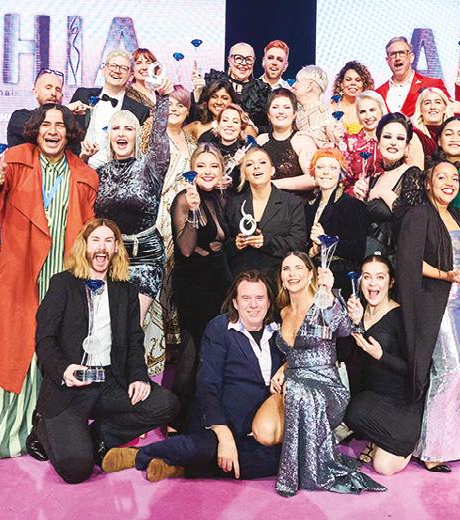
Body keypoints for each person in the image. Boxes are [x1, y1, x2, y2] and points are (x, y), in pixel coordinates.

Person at [0, 103, 96, 458]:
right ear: (36, 129)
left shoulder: (85, 175)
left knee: (53, 352)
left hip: (61, 277)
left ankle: (44, 431)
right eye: (46, 124)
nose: (53, 131)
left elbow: (87, 230)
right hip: (21, 274)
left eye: (60, 125)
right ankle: (11, 434)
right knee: (16, 352)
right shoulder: (14, 161)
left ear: (70, 133)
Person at [31, 219, 179, 484]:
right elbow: (44, 339)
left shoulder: (126, 289)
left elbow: (134, 339)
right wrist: (64, 369)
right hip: (71, 386)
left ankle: (96, 438)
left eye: (108, 241)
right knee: (76, 470)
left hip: (110, 381)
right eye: (96, 240)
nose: (102, 247)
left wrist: (138, 376)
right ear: (85, 246)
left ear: (116, 248)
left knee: (165, 404)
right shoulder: (62, 284)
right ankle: (43, 428)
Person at [100, 271, 284, 482]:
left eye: (259, 298)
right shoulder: (219, 328)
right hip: (219, 417)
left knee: (280, 459)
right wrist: (222, 431)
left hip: (260, 424)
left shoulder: (278, 333)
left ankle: (180, 465)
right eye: (246, 298)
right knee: (206, 448)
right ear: (235, 302)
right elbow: (207, 384)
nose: (253, 305)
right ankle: (141, 455)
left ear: (269, 302)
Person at [252, 252, 386, 496]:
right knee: (263, 432)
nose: (292, 274)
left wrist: (333, 296)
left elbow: (345, 329)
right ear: (281, 277)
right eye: (286, 269)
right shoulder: (282, 312)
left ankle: (300, 471)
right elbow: (292, 352)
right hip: (293, 382)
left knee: (295, 391)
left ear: (310, 274)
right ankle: (305, 451)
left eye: (298, 268)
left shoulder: (324, 302)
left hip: (326, 386)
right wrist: (283, 368)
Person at [0, 68, 66, 370]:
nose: (54, 92)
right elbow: (32, 133)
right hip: (13, 219)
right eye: (48, 87)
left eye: (58, 89)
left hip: (50, 222)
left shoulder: (66, 127)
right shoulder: (21, 118)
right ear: (35, 91)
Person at [394, 161, 460, 472]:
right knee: (446, 371)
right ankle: (432, 450)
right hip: (436, 305)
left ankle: (444, 444)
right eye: (441, 177)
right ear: (428, 183)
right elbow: (409, 261)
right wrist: (444, 275)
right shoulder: (419, 215)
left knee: (456, 373)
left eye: (454, 178)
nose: (449, 183)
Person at [92, 81, 175, 375]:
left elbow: (160, 137)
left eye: (128, 128)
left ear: (137, 135)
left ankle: (126, 387)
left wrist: (163, 98)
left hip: (146, 257)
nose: (122, 133)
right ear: (109, 135)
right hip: (110, 257)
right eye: (116, 128)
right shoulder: (99, 173)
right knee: (104, 326)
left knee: (129, 326)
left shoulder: (150, 167)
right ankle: (104, 387)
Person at [169, 144, 232, 430]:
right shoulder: (184, 199)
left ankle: (206, 412)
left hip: (219, 280)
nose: (207, 172)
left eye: (213, 166)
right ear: (192, 170)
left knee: (214, 348)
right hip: (193, 283)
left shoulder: (219, 198)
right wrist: (194, 212)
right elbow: (185, 248)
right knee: (192, 347)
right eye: (201, 166)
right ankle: (178, 419)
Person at [343, 254, 423, 475]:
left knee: (383, 467)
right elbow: (348, 357)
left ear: (391, 281)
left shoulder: (401, 317)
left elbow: (416, 371)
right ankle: (376, 439)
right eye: (367, 277)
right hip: (372, 398)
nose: (373, 284)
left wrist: (381, 356)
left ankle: (406, 441)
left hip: (402, 402)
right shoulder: (358, 312)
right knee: (351, 414)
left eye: (380, 277)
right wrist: (355, 323)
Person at [153, 85, 196, 362]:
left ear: (188, 110)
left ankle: (173, 339)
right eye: (169, 104)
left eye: (180, 105)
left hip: (182, 212)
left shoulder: (191, 141)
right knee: (158, 272)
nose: (174, 109)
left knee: (177, 273)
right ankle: (154, 340)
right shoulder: (153, 136)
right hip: (158, 212)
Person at [224, 147, 307, 283]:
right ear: (245, 174)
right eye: (249, 164)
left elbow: (299, 243)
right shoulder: (233, 204)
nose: (256, 167)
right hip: (242, 280)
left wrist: (266, 241)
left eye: (262, 162)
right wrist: (235, 244)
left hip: (278, 280)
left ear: (272, 170)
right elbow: (223, 246)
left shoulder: (292, 203)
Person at [353, 113, 423, 260]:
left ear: (406, 147)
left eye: (400, 138)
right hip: (368, 256)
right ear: (378, 143)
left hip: (396, 258)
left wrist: (383, 192)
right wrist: (358, 200)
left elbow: (413, 220)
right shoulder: (374, 178)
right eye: (387, 137)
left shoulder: (413, 174)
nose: (393, 143)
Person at [70, 50, 150, 169]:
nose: (117, 71)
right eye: (113, 65)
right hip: (77, 168)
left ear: (131, 75)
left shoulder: (140, 111)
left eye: (123, 68)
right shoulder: (82, 95)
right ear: (104, 69)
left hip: (117, 175)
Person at [305, 149, 368, 296]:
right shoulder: (308, 206)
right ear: (313, 171)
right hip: (312, 277)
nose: (326, 172)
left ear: (341, 173)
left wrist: (325, 240)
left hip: (340, 278)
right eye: (320, 167)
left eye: (333, 168)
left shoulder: (352, 205)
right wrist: (313, 251)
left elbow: (358, 250)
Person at [376, 36, 460, 117]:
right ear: (387, 61)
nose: (397, 58)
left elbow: (457, 113)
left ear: (411, 57)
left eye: (402, 53)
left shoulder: (433, 85)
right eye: (393, 54)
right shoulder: (378, 94)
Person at [257, 88, 318, 198]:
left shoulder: (302, 140)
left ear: (294, 114)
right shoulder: (261, 140)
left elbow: (313, 178)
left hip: (296, 204)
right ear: (268, 114)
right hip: (263, 201)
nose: (281, 112)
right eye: (275, 107)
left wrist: (274, 184)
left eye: (286, 107)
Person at [202, 42, 271, 130]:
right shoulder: (214, 81)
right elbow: (199, 115)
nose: (244, 63)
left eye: (248, 59)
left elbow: (270, 126)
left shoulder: (262, 90)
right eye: (238, 58)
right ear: (229, 60)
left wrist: (254, 128)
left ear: (254, 61)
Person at [341, 90, 387, 196]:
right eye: (362, 112)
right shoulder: (348, 142)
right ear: (358, 116)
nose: (368, 116)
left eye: (372, 110)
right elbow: (341, 181)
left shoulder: (392, 141)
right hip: (354, 199)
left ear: (382, 111)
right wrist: (353, 191)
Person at [411, 87, 460, 159]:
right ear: (420, 109)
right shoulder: (413, 133)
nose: (433, 107)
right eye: (427, 103)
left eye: (438, 102)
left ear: (445, 108)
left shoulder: (456, 128)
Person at [292, 65, 341, 149]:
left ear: (309, 86)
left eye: (297, 81)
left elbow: (340, 148)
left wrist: (316, 141)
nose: (293, 85)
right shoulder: (292, 112)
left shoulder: (328, 115)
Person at [330, 61, 374, 135]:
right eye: (348, 79)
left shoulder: (371, 109)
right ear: (341, 84)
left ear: (364, 85)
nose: (353, 83)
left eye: (358, 80)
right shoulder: (330, 108)